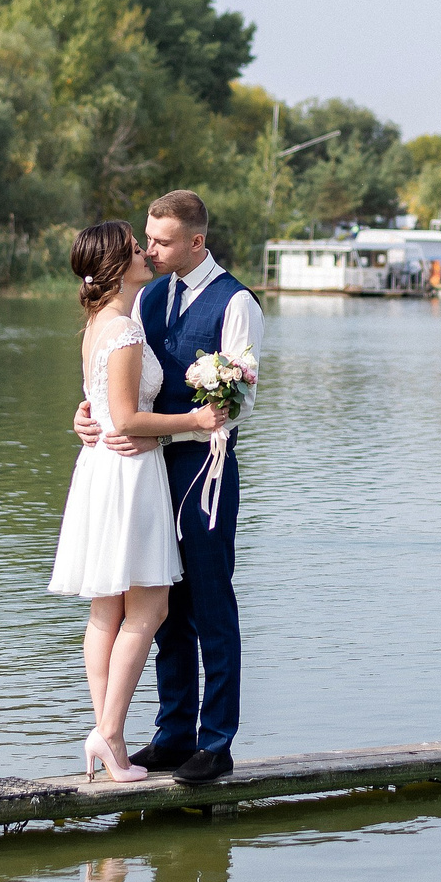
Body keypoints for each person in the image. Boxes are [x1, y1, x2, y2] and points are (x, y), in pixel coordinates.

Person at [74, 189, 263, 785]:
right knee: (162, 604)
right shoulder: (147, 298)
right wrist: (88, 416)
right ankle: (173, 732)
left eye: (160, 240)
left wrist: (168, 426)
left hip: (202, 468)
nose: (150, 250)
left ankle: (217, 741)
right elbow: (121, 385)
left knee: (209, 600)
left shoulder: (237, 304)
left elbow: (239, 401)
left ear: (196, 242)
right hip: (146, 469)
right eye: (146, 241)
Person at [50, 220, 230, 783]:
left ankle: (109, 737)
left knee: (107, 610)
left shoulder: (103, 323)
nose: (145, 253)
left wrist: (89, 417)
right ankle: (108, 734)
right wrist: (193, 420)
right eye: (135, 248)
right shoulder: (126, 331)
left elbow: (101, 404)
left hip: (105, 470)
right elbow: (125, 418)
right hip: (129, 473)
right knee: (148, 610)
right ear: (113, 267)